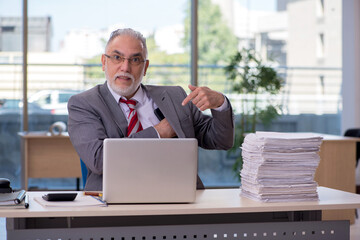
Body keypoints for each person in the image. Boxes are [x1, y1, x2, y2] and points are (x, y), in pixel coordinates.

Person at [68, 28, 234, 191]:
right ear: (104, 62)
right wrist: (159, 132)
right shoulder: (84, 104)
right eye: (117, 57)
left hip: (179, 200)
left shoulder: (175, 96)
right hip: (116, 204)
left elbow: (221, 140)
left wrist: (220, 103)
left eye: (135, 60)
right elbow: (99, 160)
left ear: (145, 67)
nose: (125, 67)